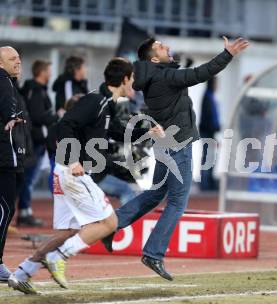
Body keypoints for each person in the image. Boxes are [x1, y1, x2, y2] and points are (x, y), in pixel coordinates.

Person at [8, 57, 164, 294]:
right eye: (131, 79)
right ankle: (59, 257)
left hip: (65, 171)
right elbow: (64, 125)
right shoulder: (95, 100)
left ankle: (21, 273)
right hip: (73, 171)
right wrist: (73, 160)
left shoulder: (105, 103)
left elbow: (115, 131)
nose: (133, 84)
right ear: (124, 79)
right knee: (109, 223)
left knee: (67, 232)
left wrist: (146, 132)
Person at [102, 36, 249, 281]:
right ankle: (153, 253)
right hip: (177, 145)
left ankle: (111, 226)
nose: (167, 48)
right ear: (153, 58)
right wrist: (228, 54)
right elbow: (201, 73)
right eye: (161, 47)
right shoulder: (163, 76)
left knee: (155, 194)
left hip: (165, 144)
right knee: (178, 201)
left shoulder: (154, 76)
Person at [17, 60, 59, 226]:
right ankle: (24, 212)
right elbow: (37, 116)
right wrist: (56, 116)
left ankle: (24, 210)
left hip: (35, 140)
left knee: (28, 177)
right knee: (28, 177)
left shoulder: (37, 89)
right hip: (34, 140)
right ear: (42, 72)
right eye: (49, 70)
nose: (50, 73)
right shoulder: (35, 90)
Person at [0, 46, 29, 282]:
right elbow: (8, 115)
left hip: (7, 156)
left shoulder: (9, 82)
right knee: (6, 208)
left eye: (19, 57)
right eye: (12, 59)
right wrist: (13, 118)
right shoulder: (3, 81)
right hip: (4, 158)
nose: (17, 62)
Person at [199, 77, 221, 191]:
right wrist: (214, 131)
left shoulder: (210, 96)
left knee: (210, 157)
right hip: (208, 132)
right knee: (208, 157)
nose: (218, 86)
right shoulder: (208, 97)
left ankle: (208, 182)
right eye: (217, 83)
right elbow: (208, 118)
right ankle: (205, 184)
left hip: (210, 132)